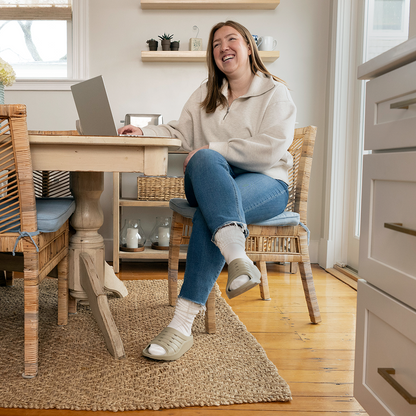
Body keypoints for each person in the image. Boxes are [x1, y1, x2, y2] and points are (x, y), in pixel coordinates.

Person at [118, 20, 297, 361]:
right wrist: (143, 132)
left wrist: (215, 147)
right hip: (210, 177)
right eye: (216, 44)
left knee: (210, 213)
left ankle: (181, 325)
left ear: (249, 47)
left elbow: (272, 148)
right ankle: (237, 258)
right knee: (203, 160)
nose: (223, 47)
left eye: (231, 39)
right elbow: (178, 132)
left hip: (266, 181)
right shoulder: (206, 93)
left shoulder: (276, 93)